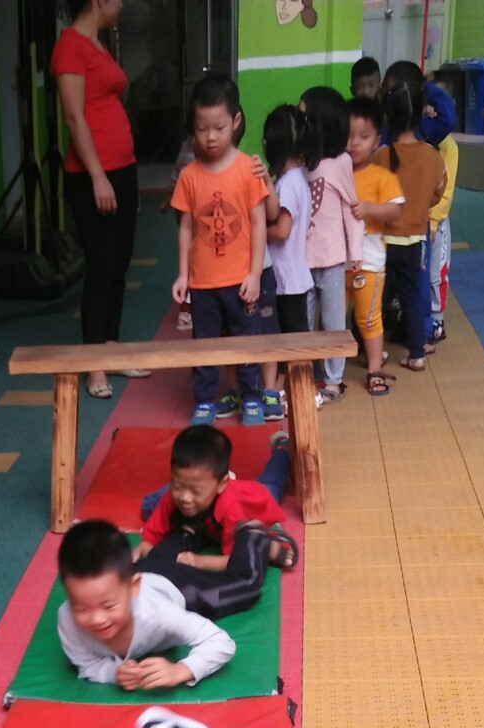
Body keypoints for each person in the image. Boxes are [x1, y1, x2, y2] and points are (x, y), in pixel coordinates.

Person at [51, 0, 147, 402]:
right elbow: (74, 118)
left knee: (119, 265)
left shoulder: (100, 45)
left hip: (122, 171)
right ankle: (95, 366)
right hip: (94, 177)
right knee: (102, 267)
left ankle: (111, 349)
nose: (121, 4)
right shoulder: (69, 47)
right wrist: (97, 178)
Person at [170, 74, 269, 428]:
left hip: (241, 280)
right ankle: (204, 401)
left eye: (219, 127)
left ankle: (252, 397)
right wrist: (183, 274)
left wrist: (255, 274)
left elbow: (259, 224)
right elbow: (185, 227)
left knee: (247, 343)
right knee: (205, 345)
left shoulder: (248, 170)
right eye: (202, 129)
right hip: (202, 283)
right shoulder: (189, 176)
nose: (210, 137)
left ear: (236, 121)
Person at [134, 425, 298, 615]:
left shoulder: (232, 509)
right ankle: (197, 488)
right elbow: (150, 538)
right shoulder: (173, 497)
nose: (184, 497)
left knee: (271, 483)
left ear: (221, 485)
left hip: (250, 507)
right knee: (148, 506)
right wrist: (140, 551)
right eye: (177, 485)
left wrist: (199, 561)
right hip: (209, 518)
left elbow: (234, 560)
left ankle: (283, 449)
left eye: (195, 490)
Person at [56, 519, 236, 687]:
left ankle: (245, 536)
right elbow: (88, 665)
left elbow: (220, 641)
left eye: (108, 606)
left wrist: (182, 670)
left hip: (178, 584)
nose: (97, 619)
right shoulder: (68, 620)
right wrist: (114, 673)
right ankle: (188, 532)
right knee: (159, 556)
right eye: (81, 608)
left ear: (134, 588)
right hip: (143, 571)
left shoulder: (158, 613)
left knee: (241, 585)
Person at [374, 78, 446, 373]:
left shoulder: (381, 155)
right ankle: (417, 354)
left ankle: (371, 352)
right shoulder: (432, 156)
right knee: (413, 298)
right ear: (420, 114)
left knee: (375, 298)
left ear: (387, 116)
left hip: (382, 242)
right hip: (415, 241)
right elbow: (438, 192)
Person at [300, 86, 362, 407]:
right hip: (302, 262)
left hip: (333, 259)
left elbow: (352, 210)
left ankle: (334, 380)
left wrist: (356, 253)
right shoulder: (300, 163)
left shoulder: (340, 163)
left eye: (303, 117)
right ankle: (304, 376)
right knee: (304, 321)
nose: (298, 123)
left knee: (335, 323)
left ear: (320, 123)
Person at [345, 97, 405, 395]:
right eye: (348, 135)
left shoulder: (382, 176)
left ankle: (373, 369)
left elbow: (396, 210)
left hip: (369, 260)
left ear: (377, 141)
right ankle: (328, 372)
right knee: (330, 318)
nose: (354, 143)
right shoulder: (334, 171)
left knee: (368, 318)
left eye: (364, 136)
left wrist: (369, 208)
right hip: (336, 260)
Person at [256, 102, 316, 336]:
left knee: (292, 339)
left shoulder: (288, 184)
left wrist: (256, 230)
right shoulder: (298, 178)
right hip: (293, 276)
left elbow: (282, 231)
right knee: (294, 336)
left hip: (286, 279)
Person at [426, 70, 460, 345]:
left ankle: (437, 319)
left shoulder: (448, 147)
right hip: (416, 217)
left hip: (437, 221)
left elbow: (445, 191)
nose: (432, 110)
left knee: (436, 272)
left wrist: (435, 220)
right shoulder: (422, 138)